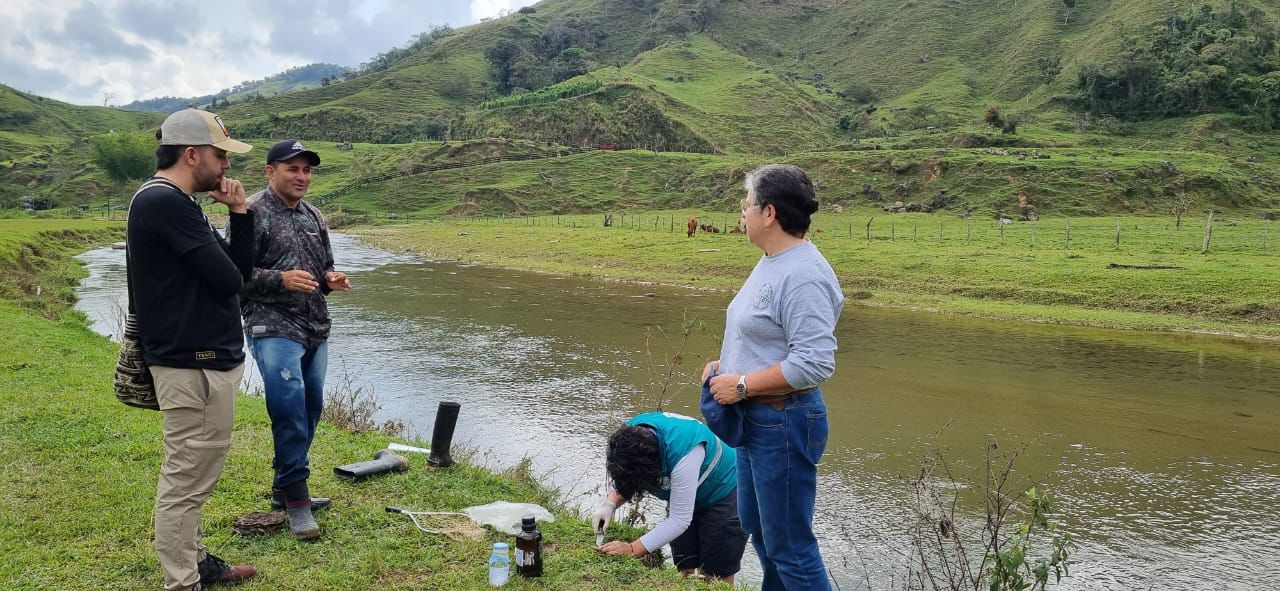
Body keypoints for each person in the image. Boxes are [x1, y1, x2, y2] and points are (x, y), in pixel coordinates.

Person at [127, 108, 257, 590]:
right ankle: (183, 582)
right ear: (191, 154)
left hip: (200, 359)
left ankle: (196, 562)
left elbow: (237, 276)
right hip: (192, 362)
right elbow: (228, 281)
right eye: (220, 155)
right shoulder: (165, 203)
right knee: (186, 480)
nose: (225, 166)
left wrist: (239, 215)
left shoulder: (179, 203)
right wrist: (232, 220)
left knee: (197, 471)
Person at [701, 164, 844, 591]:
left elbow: (815, 362)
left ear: (769, 214)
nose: (740, 214)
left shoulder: (804, 275)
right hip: (756, 421)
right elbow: (766, 334)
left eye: (745, 205)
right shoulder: (773, 261)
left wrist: (742, 383)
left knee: (790, 546)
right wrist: (723, 366)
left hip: (783, 421)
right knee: (761, 532)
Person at [241, 139, 350, 540]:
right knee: (287, 406)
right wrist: (279, 279)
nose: (302, 177)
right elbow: (231, 277)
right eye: (293, 169)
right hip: (271, 323)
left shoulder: (313, 215)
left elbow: (325, 268)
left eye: (307, 170)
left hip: (314, 325)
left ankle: (282, 490)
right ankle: (299, 502)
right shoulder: (250, 213)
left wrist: (330, 280)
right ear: (270, 172)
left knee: (310, 406)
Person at [592, 412, 748, 583]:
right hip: (688, 490)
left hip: (728, 490)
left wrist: (631, 549)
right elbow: (630, 474)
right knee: (686, 563)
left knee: (715, 575)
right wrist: (610, 504)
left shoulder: (684, 453)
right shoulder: (629, 438)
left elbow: (680, 520)